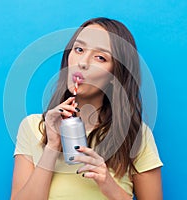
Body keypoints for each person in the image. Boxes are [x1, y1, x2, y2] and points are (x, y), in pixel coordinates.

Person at [10, 17, 163, 200]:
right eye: (79, 49)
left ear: (116, 75)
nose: (82, 62)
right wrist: (52, 147)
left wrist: (108, 185)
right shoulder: (33, 127)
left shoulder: (136, 135)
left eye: (100, 57)